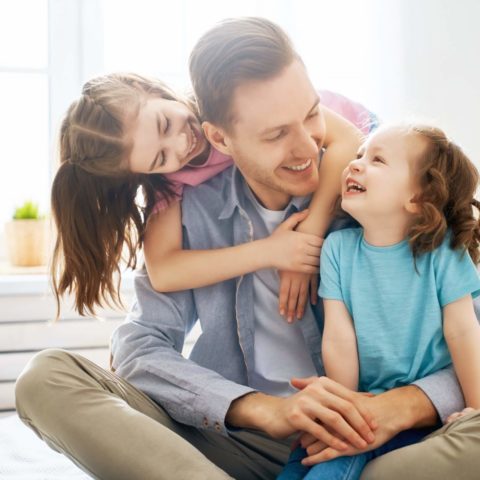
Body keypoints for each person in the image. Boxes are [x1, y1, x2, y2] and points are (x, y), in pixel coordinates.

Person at [15, 17, 480, 480]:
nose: (307, 147)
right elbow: (140, 345)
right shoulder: (182, 207)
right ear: (219, 138)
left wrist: (402, 407)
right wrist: (260, 410)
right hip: (231, 442)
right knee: (45, 379)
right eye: (276, 134)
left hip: (371, 440)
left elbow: (468, 330)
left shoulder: (373, 193)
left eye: (312, 114)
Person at [50, 70, 370, 321]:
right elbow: (163, 270)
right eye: (160, 158)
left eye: (164, 124)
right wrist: (271, 252)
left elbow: (348, 141)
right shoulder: (171, 180)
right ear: (144, 172)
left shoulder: (224, 98)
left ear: (143, 87)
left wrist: (306, 244)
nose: (180, 145)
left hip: (369, 144)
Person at [277, 123, 480, 479]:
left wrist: (476, 410)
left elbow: (464, 333)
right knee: (304, 462)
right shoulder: (338, 250)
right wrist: (341, 410)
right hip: (365, 401)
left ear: (419, 197)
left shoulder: (443, 252)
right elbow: (339, 339)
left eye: (377, 160)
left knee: (335, 461)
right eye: (358, 156)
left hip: (422, 416)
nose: (355, 165)